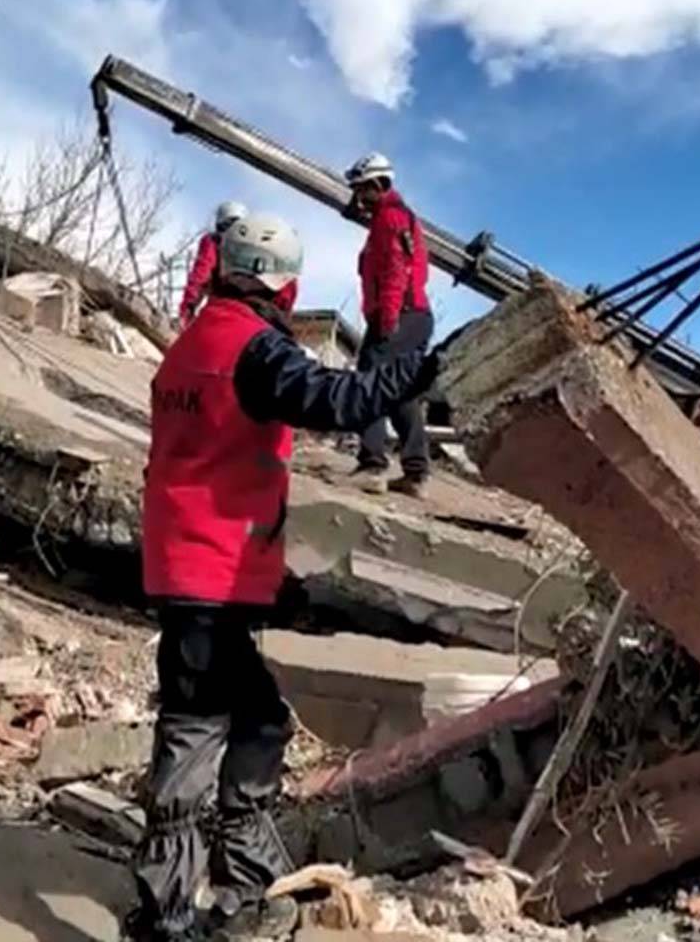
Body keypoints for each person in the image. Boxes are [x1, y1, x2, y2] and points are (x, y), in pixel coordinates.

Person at [129, 213, 439, 941]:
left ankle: (246, 877)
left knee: (259, 716)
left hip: (192, 562)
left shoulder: (193, 345)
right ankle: (167, 915)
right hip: (209, 568)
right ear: (286, 282)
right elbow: (335, 402)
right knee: (195, 732)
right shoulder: (254, 349)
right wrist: (413, 373)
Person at [344, 152, 433, 499]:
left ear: (378, 185)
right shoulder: (400, 217)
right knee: (401, 392)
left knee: (368, 381)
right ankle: (416, 473)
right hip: (416, 316)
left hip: (399, 314)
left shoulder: (389, 220)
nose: (358, 196)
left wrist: (387, 321)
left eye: (362, 188)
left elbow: (397, 271)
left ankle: (372, 466)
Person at [178, 201, 249, 328]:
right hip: (245, 316)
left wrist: (187, 311)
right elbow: (201, 276)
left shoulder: (214, 242)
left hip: (223, 310)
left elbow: (200, 276)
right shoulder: (254, 249)